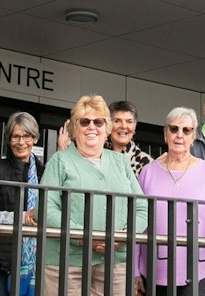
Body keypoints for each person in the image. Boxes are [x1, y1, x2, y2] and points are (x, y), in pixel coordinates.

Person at [38, 94, 148, 296]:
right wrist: (84, 237)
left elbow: (141, 206)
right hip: (67, 262)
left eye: (98, 122)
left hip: (115, 262)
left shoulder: (121, 163)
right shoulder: (59, 161)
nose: (92, 127)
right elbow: (45, 208)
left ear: (106, 128)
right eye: (85, 121)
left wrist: (125, 235)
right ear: (74, 128)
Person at [136, 107, 205, 295]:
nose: (180, 135)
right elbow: (137, 219)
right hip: (153, 268)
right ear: (165, 134)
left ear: (193, 136)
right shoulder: (148, 172)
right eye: (174, 129)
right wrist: (135, 270)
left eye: (186, 130)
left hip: (196, 267)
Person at [0, 112, 44, 296]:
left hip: (35, 263)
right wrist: (23, 217)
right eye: (16, 136)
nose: (21, 142)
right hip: (0, 260)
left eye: (27, 136)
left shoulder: (45, 172)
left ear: (35, 138)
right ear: (9, 139)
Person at [107, 100, 154, 176]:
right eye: (117, 121)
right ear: (108, 124)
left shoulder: (147, 163)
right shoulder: (96, 155)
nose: (124, 126)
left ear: (135, 126)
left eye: (129, 121)